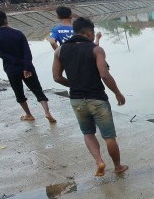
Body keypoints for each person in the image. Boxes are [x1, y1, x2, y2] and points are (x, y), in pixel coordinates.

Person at [52, 16, 127, 177]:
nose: (94, 37)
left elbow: (57, 77)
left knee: (88, 133)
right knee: (109, 136)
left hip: (77, 100)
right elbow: (104, 75)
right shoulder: (96, 49)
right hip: (97, 99)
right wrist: (118, 93)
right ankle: (118, 166)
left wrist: (73, 85)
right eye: (93, 34)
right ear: (89, 33)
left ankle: (99, 161)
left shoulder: (60, 50)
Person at [0, 9, 56, 123]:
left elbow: (1, 54)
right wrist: (26, 66)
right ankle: (47, 112)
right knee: (37, 89)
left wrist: (16, 62)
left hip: (11, 69)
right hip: (27, 67)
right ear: (6, 19)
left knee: (19, 93)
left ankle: (29, 114)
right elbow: (27, 52)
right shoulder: (18, 33)